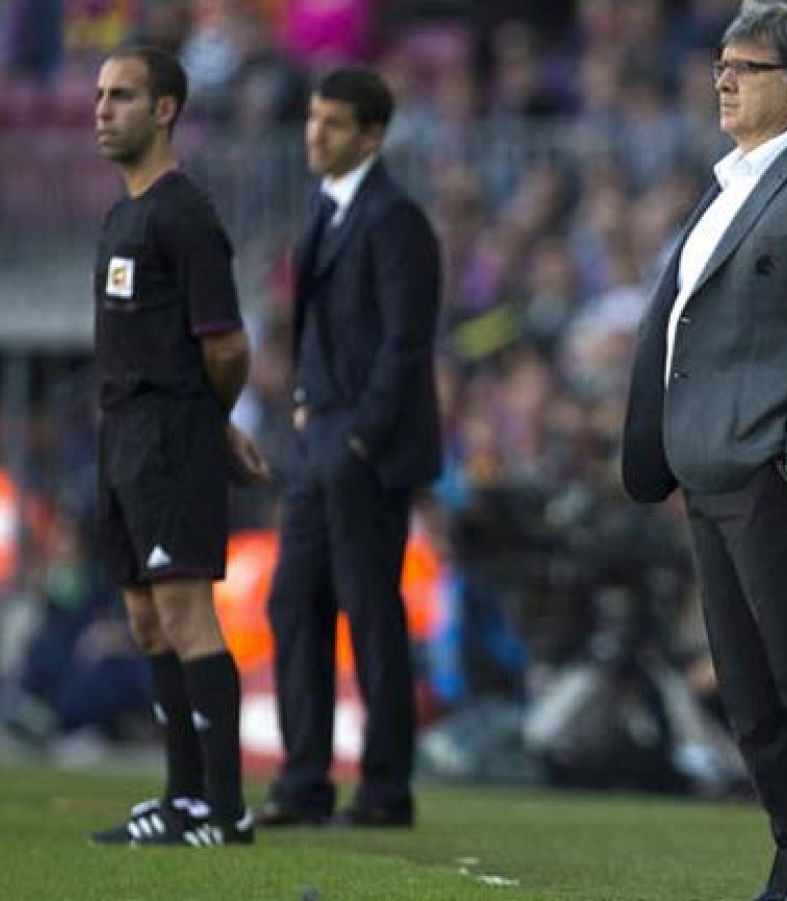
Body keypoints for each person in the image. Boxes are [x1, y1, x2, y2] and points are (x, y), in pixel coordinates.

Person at [620, 5, 787, 901]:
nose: (723, 80)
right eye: (721, 64)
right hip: (713, 480)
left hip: (781, 481)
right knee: (752, 700)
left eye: (746, 66)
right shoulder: (729, 185)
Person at [85, 44, 270, 849]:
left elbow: (227, 346)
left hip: (166, 432)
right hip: (121, 432)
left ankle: (226, 809)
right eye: (100, 95)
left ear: (164, 110)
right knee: (145, 616)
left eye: (122, 96)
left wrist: (208, 421)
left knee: (186, 611)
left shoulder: (182, 213)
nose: (102, 109)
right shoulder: (121, 214)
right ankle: (183, 796)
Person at [257, 66, 442, 829]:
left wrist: (360, 434)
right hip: (319, 440)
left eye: (332, 122)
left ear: (372, 134)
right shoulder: (326, 213)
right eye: (311, 119)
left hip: (363, 448)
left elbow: (406, 343)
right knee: (293, 600)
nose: (315, 134)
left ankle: (385, 787)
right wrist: (305, 406)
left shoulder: (394, 219)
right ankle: (304, 781)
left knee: (369, 613)